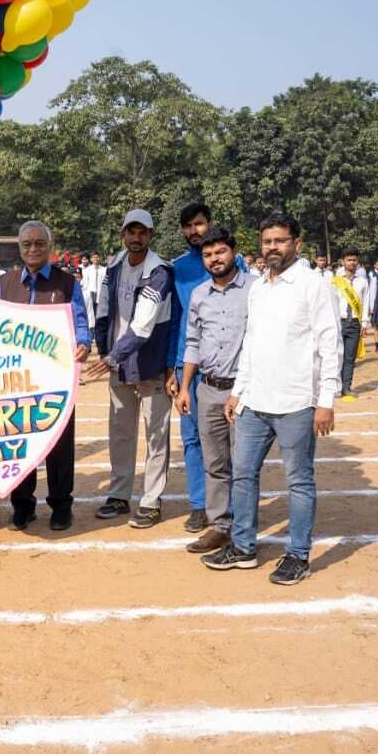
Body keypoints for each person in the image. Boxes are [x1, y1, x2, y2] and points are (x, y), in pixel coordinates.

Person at [203, 212, 341, 586]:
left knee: (298, 481)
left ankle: (298, 555)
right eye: (267, 242)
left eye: (280, 241)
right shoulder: (259, 288)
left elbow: (331, 345)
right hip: (255, 403)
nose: (272, 248)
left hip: (297, 402)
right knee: (243, 474)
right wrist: (238, 391)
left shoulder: (314, 285)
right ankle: (244, 546)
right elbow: (252, 344)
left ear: (297, 243)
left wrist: (326, 400)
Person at [0, 221, 91, 531]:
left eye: (40, 243)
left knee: (59, 444)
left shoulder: (67, 283)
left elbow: (80, 321)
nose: (33, 249)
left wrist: (83, 344)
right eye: (27, 244)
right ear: (20, 248)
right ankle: (22, 505)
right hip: (16, 380)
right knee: (18, 441)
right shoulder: (7, 282)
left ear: (50, 247)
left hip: (56, 378)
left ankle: (61, 505)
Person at [85, 209, 175, 529]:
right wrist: (104, 346)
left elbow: (143, 326)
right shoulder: (114, 265)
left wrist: (111, 356)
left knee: (156, 435)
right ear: (123, 234)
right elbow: (104, 309)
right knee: (121, 433)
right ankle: (119, 495)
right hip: (118, 362)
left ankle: (151, 501)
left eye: (142, 233)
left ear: (151, 236)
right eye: (131, 232)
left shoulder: (160, 272)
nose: (136, 238)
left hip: (149, 362)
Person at [174, 228, 255, 553]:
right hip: (206, 389)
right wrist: (184, 388)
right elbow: (192, 342)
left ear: (234, 252)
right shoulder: (199, 295)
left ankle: (244, 530)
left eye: (220, 252)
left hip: (243, 392)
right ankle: (220, 526)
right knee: (215, 463)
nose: (214, 259)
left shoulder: (255, 289)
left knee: (244, 464)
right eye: (208, 255)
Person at [167, 203, 242, 528]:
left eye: (199, 224)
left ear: (210, 224)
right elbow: (174, 321)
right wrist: (173, 367)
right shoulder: (177, 268)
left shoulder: (234, 266)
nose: (193, 231)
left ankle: (236, 506)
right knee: (193, 438)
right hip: (189, 367)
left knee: (235, 441)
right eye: (188, 226)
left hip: (230, 366)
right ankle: (201, 504)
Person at [330, 251, 368, 401]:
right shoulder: (335, 281)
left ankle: (347, 387)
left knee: (350, 358)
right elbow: (331, 303)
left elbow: (366, 303)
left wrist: (364, 322)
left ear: (357, 263)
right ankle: (336, 388)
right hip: (338, 322)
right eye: (349, 260)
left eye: (354, 260)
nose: (351, 262)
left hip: (354, 323)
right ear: (343, 262)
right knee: (336, 357)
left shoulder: (362, 282)